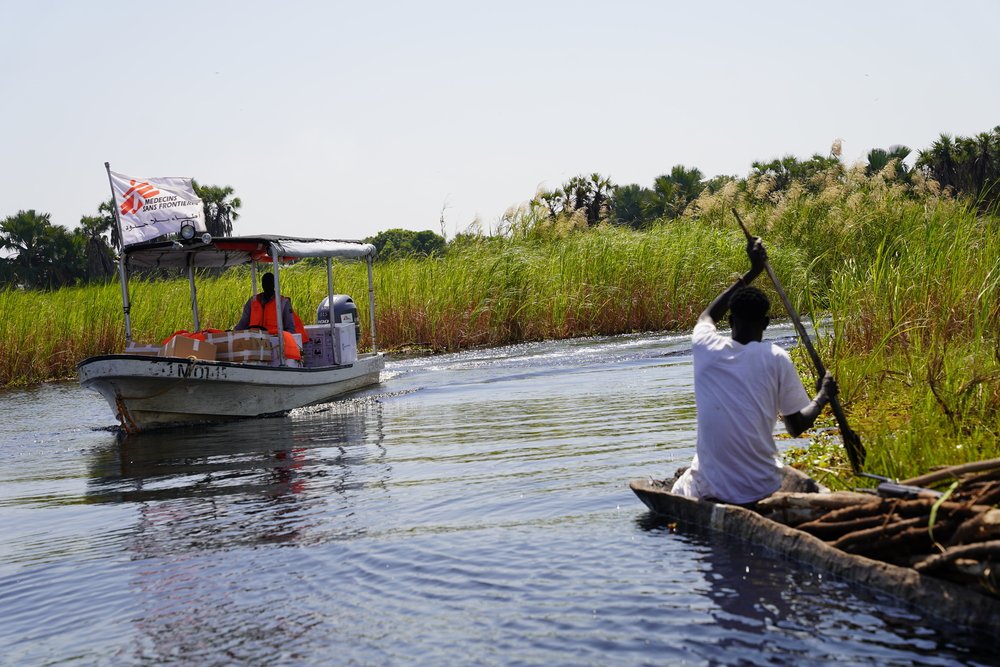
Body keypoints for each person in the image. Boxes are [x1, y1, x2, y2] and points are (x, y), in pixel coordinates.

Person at [671, 237, 837, 505]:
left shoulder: (705, 345)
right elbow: (795, 427)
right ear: (767, 323)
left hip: (710, 487)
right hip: (761, 488)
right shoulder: (776, 358)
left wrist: (752, 272)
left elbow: (707, 316)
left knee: (684, 485)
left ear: (730, 321)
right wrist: (822, 397)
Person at [235, 272, 309, 359]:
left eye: (270, 283)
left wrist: (279, 340)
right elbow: (242, 324)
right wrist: (232, 333)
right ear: (262, 284)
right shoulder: (252, 301)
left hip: (275, 344)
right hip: (255, 343)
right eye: (265, 283)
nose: (267, 286)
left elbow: (290, 329)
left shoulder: (283, 302)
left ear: (274, 284)